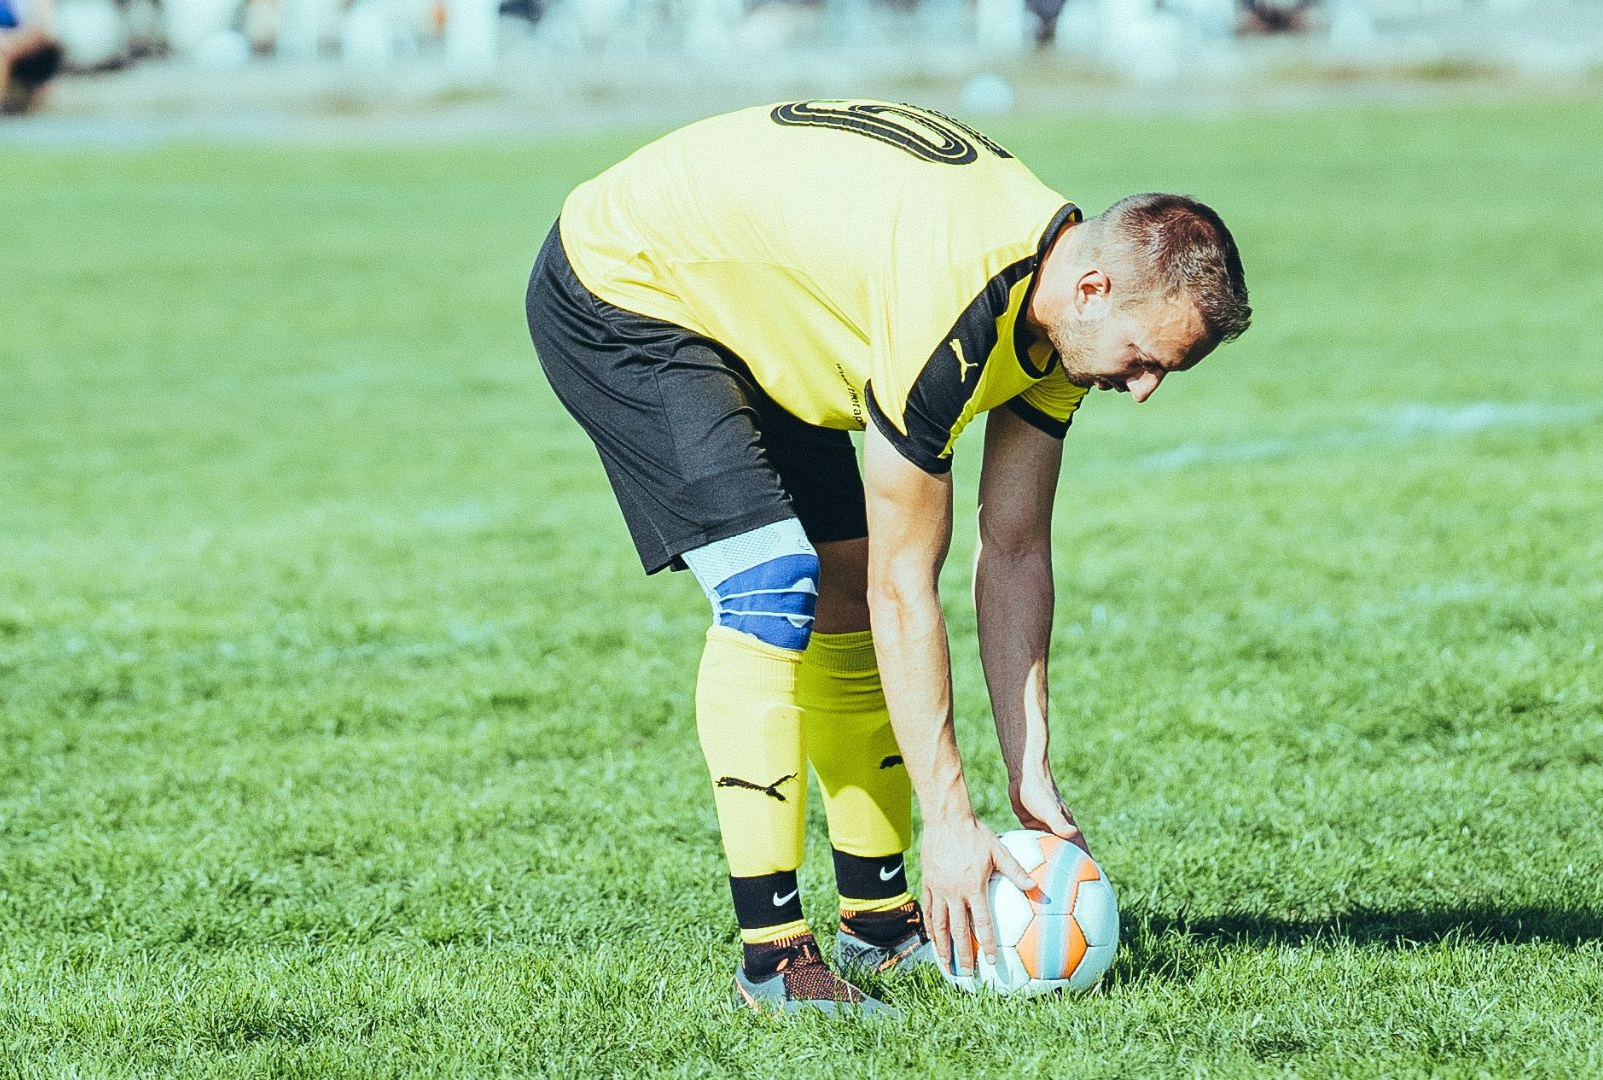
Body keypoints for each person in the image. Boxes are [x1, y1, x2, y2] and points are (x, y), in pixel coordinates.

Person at [525, 99, 1250, 1014]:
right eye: (1146, 358)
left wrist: (1030, 775)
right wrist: (948, 818)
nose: (1143, 390)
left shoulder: (1062, 314)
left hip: (774, 313)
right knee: (772, 585)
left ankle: (877, 927)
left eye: (1164, 373)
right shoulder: (952, 303)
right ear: (1096, 289)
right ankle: (775, 961)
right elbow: (905, 589)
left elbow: (1015, 548)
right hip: (629, 284)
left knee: (839, 595)